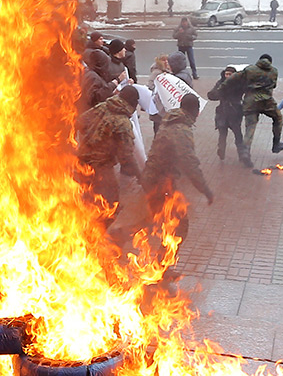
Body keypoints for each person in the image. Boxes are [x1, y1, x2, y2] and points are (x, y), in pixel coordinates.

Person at [140, 93, 213, 246]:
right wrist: (205, 189)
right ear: (195, 111)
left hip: (156, 179)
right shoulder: (181, 129)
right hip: (160, 183)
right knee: (179, 225)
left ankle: (118, 236)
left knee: (155, 219)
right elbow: (189, 164)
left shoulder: (170, 121)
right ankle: (161, 266)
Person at [75, 85, 141, 212]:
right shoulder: (123, 123)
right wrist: (140, 176)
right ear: (133, 103)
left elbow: (80, 122)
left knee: (87, 197)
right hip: (101, 167)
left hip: (82, 160)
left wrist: (92, 137)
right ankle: (100, 227)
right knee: (110, 202)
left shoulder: (102, 106)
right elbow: (126, 156)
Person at [212, 54, 283, 161]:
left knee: (250, 127)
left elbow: (234, 77)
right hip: (267, 102)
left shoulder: (249, 70)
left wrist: (222, 87)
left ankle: (245, 151)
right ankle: (276, 144)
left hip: (251, 102)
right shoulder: (274, 71)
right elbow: (273, 85)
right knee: (278, 118)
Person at [206, 66, 252, 166]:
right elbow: (211, 95)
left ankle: (243, 156)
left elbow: (247, 91)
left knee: (238, 136)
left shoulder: (239, 84)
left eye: (230, 74)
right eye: (226, 74)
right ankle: (222, 150)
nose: (228, 76)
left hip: (234, 113)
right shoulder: (220, 83)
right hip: (223, 113)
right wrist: (219, 92)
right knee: (223, 135)